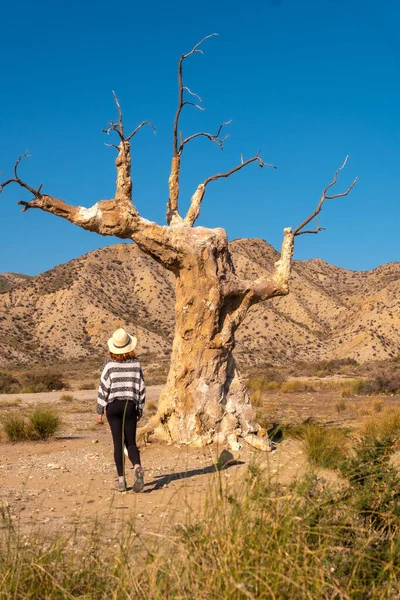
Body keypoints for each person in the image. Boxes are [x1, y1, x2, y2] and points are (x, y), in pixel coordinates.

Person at [96, 327, 146, 492]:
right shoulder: (136, 364)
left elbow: (104, 387)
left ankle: (121, 482)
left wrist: (99, 410)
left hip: (113, 406)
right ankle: (137, 466)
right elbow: (141, 388)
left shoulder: (109, 365)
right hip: (130, 405)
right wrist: (139, 408)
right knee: (131, 442)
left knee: (118, 444)